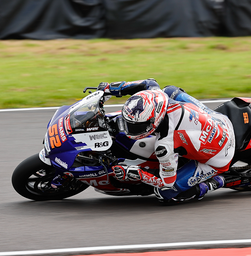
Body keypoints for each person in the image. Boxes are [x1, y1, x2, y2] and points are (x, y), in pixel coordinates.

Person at [98, 78, 236, 203]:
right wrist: (112, 88)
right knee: (169, 90)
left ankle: (214, 183)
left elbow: (166, 181)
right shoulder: (158, 96)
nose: (130, 129)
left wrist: (136, 173)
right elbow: (148, 83)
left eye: (137, 126)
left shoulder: (165, 145)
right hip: (221, 121)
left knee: (165, 193)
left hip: (220, 155)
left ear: (154, 120)